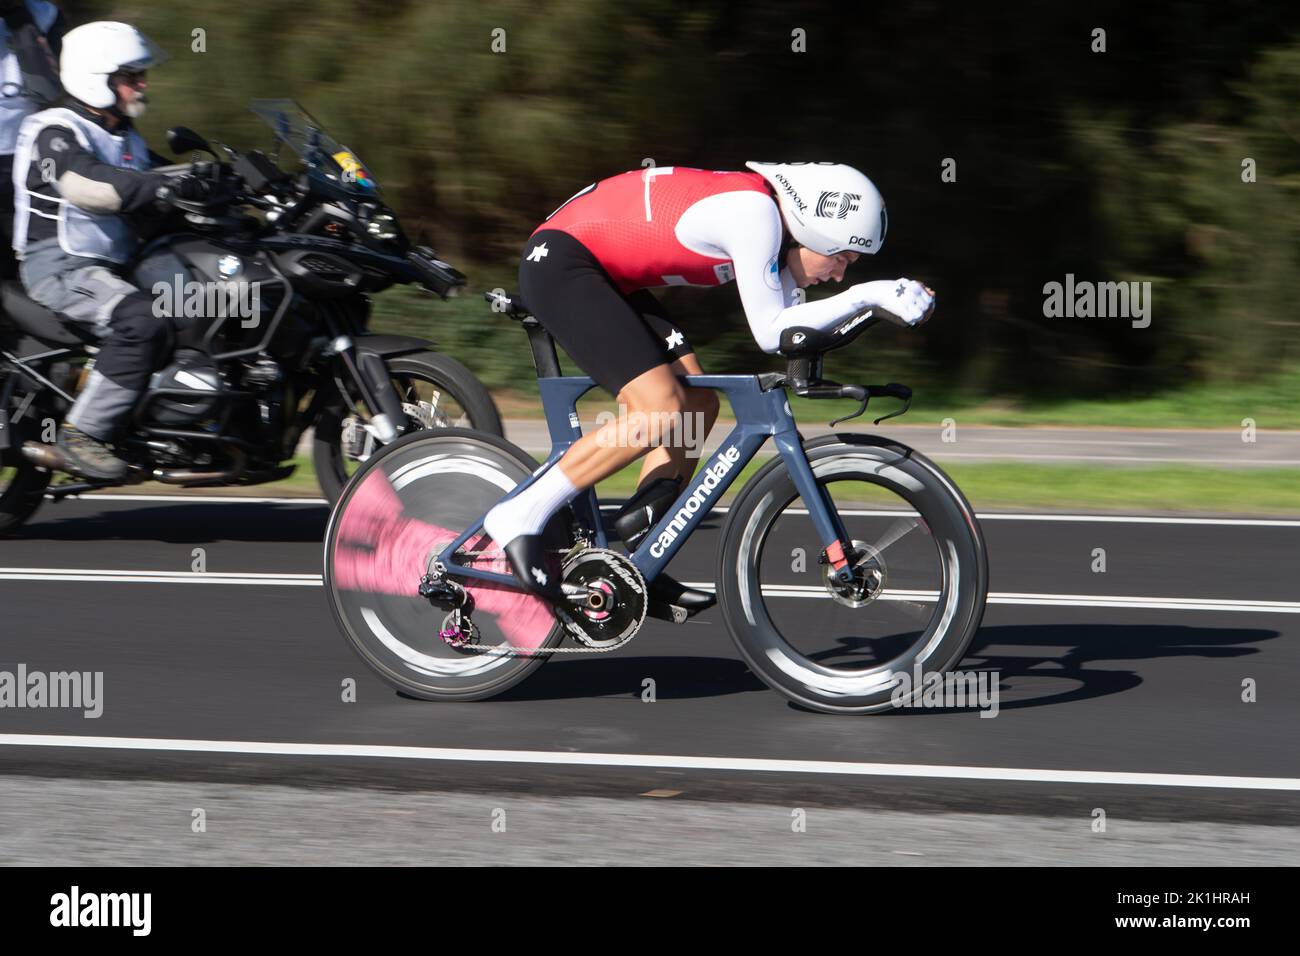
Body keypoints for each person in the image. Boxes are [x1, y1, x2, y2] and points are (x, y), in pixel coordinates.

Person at [484, 161, 936, 612]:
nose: (839, 275)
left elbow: (791, 337)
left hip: (603, 273)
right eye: (841, 257)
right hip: (564, 262)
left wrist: (875, 308)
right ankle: (519, 515)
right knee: (658, 408)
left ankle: (642, 557)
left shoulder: (774, 234)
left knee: (698, 403)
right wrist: (868, 296)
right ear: (809, 229)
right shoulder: (755, 215)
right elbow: (771, 331)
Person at [11, 21, 220, 480]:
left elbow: (162, 180)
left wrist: (227, 183)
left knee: (208, 299)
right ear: (95, 78)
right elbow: (88, 183)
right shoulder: (55, 130)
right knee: (141, 318)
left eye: (140, 74)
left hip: (115, 267)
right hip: (62, 268)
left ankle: (184, 423)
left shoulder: (127, 138)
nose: (142, 84)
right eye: (130, 76)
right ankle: (83, 434)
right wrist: (164, 188)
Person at [0, 0, 67, 279]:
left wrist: (19, 18)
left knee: (22, 264)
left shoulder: (46, 14)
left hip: (23, 159)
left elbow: (47, 90)